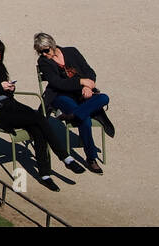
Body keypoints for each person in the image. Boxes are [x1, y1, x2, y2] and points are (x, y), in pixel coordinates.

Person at [0, 36, 84, 191]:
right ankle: (65, 157)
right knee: (38, 119)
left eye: (0, 54)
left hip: (9, 105)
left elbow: (3, 91)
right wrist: (1, 88)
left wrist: (9, 89)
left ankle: (45, 174)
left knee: (37, 126)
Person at [34, 32, 115, 173]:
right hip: (61, 96)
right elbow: (57, 83)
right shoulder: (44, 62)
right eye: (40, 52)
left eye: (46, 50)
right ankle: (91, 158)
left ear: (52, 45)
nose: (44, 54)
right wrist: (80, 82)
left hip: (82, 94)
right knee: (85, 120)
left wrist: (87, 86)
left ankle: (72, 115)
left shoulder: (71, 51)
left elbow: (89, 71)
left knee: (104, 98)